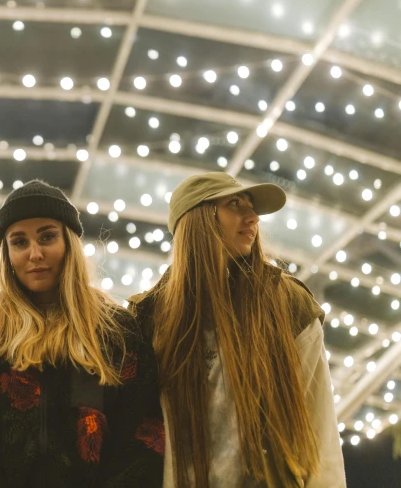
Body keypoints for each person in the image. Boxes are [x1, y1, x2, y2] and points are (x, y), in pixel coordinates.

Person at [0, 180, 165, 488]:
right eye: (19, 242)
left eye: (47, 236)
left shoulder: (115, 330)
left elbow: (143, 437)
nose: (35, 253)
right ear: (7, 254)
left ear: (69, 242)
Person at [128, 172, 345, 488]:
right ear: (197, 218)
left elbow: (320, 426)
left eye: (251, 206)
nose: (253, 216)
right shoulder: (148, 316)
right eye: (235, 204)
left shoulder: (287, 303)